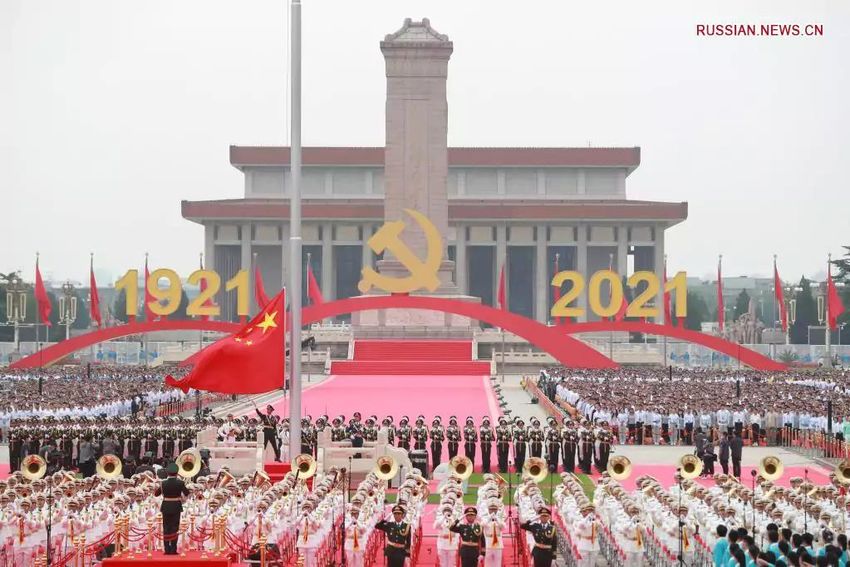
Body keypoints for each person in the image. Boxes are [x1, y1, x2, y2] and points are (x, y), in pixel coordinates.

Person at [154, 462, 189, 555]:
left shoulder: (163, 483)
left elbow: (156, 494)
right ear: (177, 473)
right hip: (176, 506)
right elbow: (187, 493)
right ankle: (173, 549)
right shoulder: (180, 482)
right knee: (174, 528)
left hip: (166, 506)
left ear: (167, 473)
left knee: (166, 528)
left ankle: (167, 549)